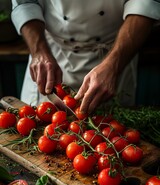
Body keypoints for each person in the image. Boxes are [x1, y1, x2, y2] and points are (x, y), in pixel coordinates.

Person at [11, 0, 160, 114]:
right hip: (52, 54)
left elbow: (145, 4)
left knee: (115, 135)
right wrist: (39, 51)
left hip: (117, 51)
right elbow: (25, 2)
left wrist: (114, 64)